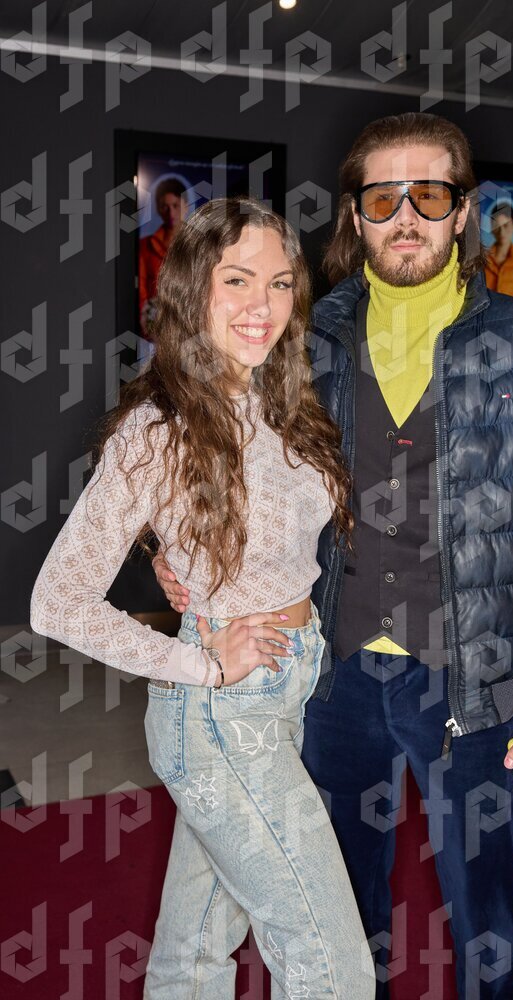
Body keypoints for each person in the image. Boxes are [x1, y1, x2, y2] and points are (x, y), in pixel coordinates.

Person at [153, 114, 513, 1000]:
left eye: (428, 195)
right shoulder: (303, 336)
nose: (406, 216)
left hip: (479, 680)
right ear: (355, 215)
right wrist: (181, 553)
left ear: (461, 211)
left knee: (488, 921)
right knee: (338, 918)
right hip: (332, 675)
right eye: (383, 196)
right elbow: (226, 461)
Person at [30, 196, 376, 999]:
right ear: (193, 290)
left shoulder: (280, 401)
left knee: (196, 948)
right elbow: (59, 600)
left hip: (288, 684)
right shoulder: (158, 428)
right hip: (223, 713)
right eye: (237, 279)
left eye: (281, 283)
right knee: (330, 963)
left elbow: (258, 526)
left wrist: (177, 550)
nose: (263, 304)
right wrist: (200, 663)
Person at [138, 177, 189, 338]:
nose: (171, 213)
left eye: (175, 205)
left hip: (192, 328)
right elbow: (141, 291)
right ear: (158, 208)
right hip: (156, 329)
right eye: (164, 206)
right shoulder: (145, 245)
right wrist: (149, 327)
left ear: (186, 206)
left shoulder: (199, 244)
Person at [484, 201, 513, 301]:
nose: (502, 232)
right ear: (492, 228)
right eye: (497, 226)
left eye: (506, 225)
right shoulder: (482, 260)